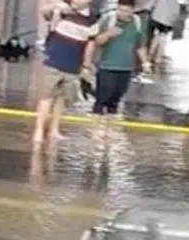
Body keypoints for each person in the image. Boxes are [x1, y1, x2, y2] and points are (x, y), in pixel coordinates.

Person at [32, 0, 96, 147]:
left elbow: (91, 43)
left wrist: (86, 64)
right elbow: (44, 11)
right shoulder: (61, 10)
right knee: (46, 96)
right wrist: (55, 6)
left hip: (73, 64)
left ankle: (54, 129)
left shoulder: (92, 19)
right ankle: (39, 130)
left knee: (62, 98)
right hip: (54, 60)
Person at [86, 0, 152, 125]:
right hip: (106, 66)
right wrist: (108, 34)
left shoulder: (138, 23)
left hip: (126, 68)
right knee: (101, 99)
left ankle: (110, 128)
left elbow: (140, 46)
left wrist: (145, 63)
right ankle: (96, 129)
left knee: (116, 99)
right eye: (120, 10)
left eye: (126, 11)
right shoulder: (107, 19)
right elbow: (96, 41)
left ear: (133, 10)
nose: (122, 14)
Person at [146, 0, 180, 72]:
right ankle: (158, 57)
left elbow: (151, 4)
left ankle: (150, 56)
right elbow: (176, 9)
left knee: (157, 36)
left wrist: (148, 8)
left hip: (157, 17)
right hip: (168, 18)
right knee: (163, 36)